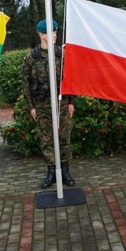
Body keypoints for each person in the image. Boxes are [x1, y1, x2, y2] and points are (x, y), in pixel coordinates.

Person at [21, 19, 76, 188]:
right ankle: (51, 172)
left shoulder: (62, 54)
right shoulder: (31, 57)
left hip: (62, 104)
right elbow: (25, 84)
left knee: (64, 137)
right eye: (50, 33)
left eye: (56, 32)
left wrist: (71, 102)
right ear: (41, 34)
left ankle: (65, 171)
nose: (54, 36)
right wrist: (31, 107)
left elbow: (72, 79)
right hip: (42, 106)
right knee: (46, 140)